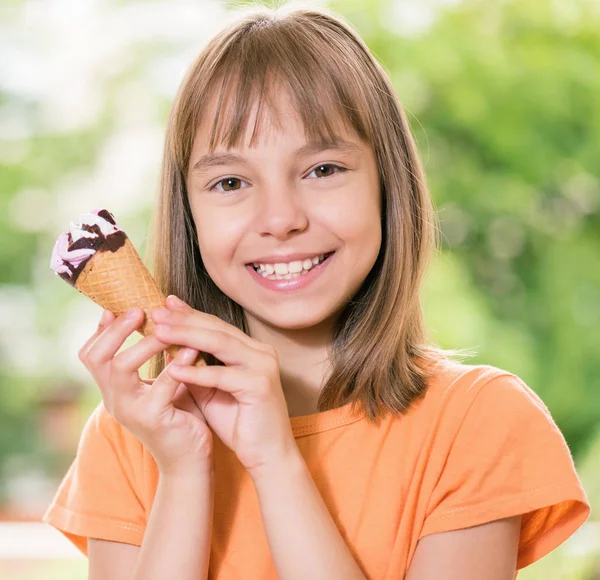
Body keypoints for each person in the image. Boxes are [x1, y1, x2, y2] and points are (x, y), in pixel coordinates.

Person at [42, 3, 590, 579]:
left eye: (323, 169)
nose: (280, 219)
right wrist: (182, 473)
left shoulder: (476, 421)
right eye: (230, 182)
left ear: (387, 184)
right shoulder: (133, 435)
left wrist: (275, 460)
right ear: (189, 215)